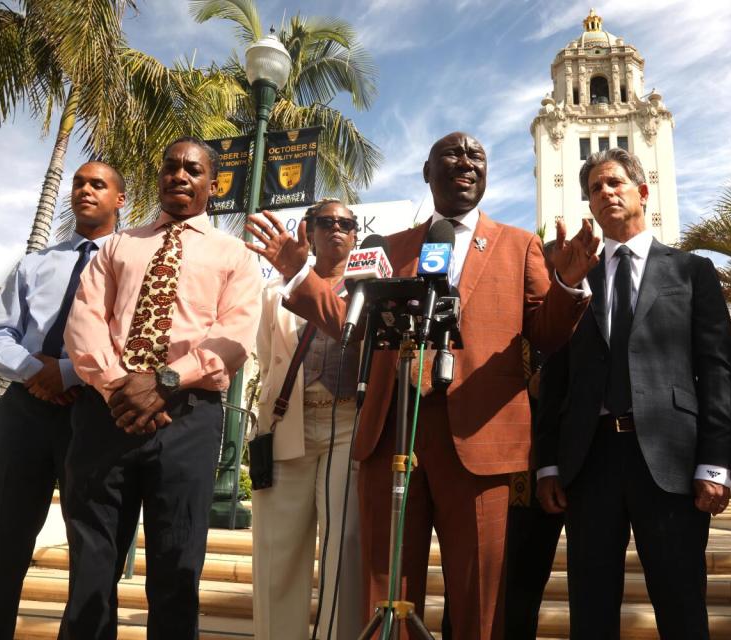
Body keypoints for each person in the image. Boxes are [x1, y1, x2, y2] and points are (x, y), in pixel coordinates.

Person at [245, 131, 599, 639]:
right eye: (451, 154)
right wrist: (300, 273)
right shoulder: (388, 247)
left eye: (476, 154)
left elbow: (546, 335)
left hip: (480, 440)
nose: (465, 162)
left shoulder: (519, 246)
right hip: (393, 434)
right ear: (427, 173)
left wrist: (566, 285)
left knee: (480, 600)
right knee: (386, 591)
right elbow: (354, 322)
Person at [59, 137, 262, 639]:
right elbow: (84, 321)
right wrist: (118, 390)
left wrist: (165, 381)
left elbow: (234, 336)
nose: (179, 175)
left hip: (188, 417)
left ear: (212, 184)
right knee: (91, 566)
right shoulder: (119, 246)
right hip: (107, 414)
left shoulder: (234, 255)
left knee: (177, 567)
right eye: (170, 166)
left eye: (192, 169)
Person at [536, 147, 731, 638]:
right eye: (594, 189)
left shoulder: (691, 272)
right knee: (591, 606)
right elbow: (554, 374)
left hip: (669, 462)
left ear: (642, 192)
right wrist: (548, 464)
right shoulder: (575, 278)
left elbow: (715, 372)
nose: (604, 193)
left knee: (681, 603)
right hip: (591, 461)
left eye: (614, 183)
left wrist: (716, 463)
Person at [0, 162, 124, 639]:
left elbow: (129, 341)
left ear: (119, 199)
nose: (85, 190)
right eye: (79, 183)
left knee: (93, 547)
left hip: (95, 413)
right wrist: (35, 372)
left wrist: (65, 373)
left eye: (98, 184)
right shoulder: (34, 263)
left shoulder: (132, 265)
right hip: (24, 412)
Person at [251, 198, 362, 640]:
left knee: (344, 552)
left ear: (356, 234)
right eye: (326, 221)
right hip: (287, 426)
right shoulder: (272, 293)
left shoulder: (369, 288)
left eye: (347, 223)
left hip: (349, 426)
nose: (337, 228)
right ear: (309, 231)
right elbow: (266, 358)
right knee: (277, 555)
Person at [502, 240, 566, 639]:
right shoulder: (505, 330)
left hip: (549, 484)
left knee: (524, 598)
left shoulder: (569, 330)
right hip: (496, 483)